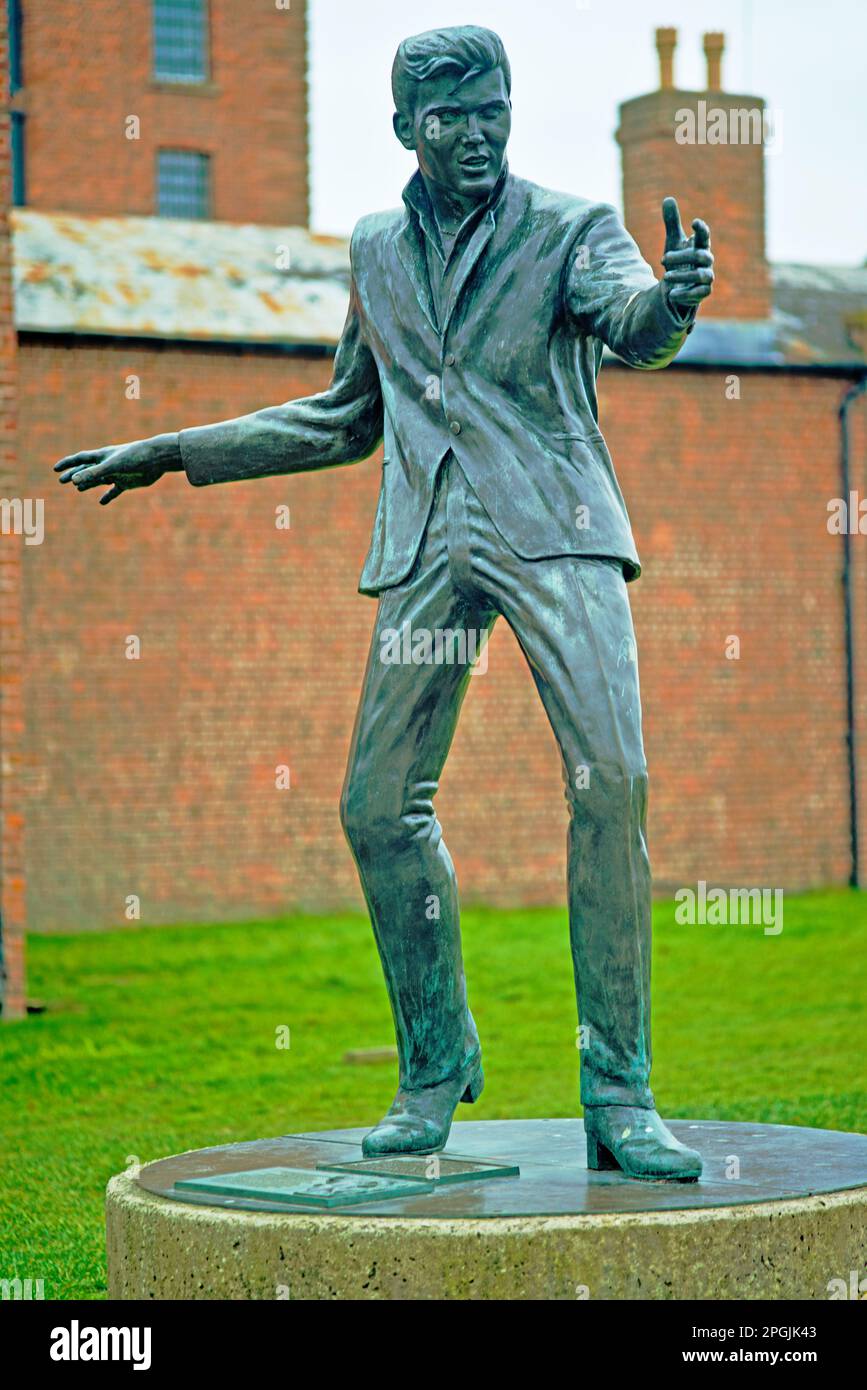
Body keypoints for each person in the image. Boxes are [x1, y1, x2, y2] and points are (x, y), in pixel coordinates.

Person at [57, 26, 715, 1180]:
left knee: (610, 784)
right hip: (427, 544)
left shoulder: (569, 230)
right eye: (451, 117)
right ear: (407, 127)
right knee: (376, 807)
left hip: (557, 532)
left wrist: (673, 304)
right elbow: (344, 417)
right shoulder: (373, 248)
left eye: (493, 109)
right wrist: (173, 449)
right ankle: (434, 1060)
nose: (477, 134)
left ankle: (620, 1092)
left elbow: (632, 323)